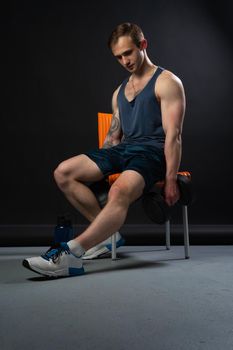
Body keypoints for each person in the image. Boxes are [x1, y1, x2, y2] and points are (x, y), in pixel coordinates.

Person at [23, 22, 186, 277]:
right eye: (118, 57)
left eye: (128, 53)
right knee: (64, 172)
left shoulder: (166, 82)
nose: (124, 61)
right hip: (125, 150)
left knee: (119, 190)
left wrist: (170, 179)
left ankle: (72, 254)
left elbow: (174, 135)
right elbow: (113, 137)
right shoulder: (119, 92)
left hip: (152, 154)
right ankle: (109, 236)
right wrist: (101, 168)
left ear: (143, 45)